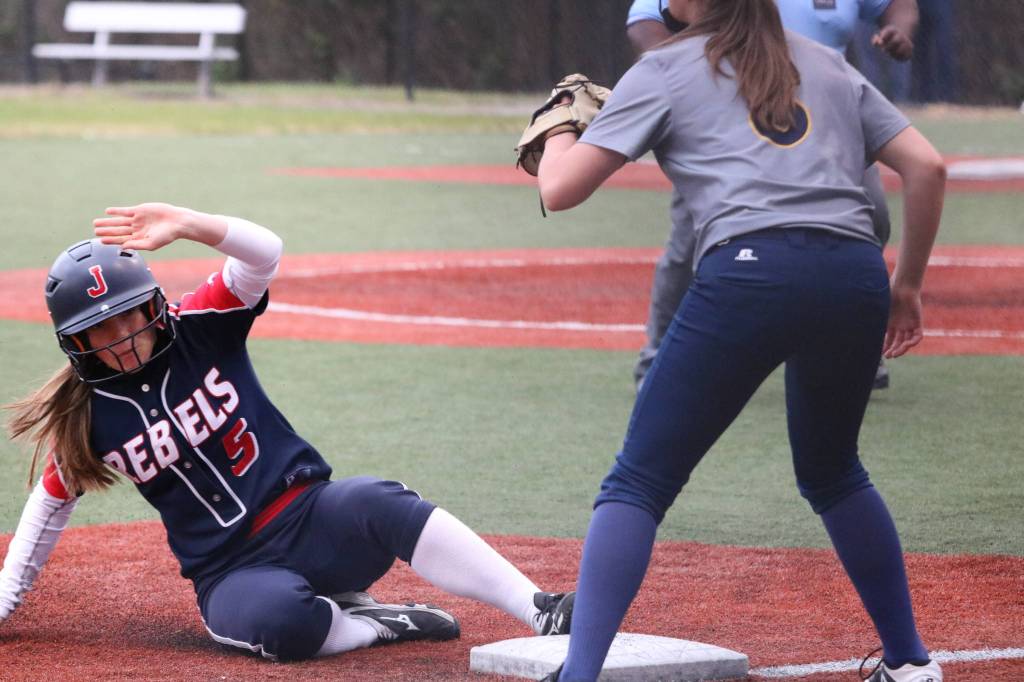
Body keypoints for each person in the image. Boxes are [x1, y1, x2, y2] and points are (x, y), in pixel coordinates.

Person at [532, 0, 945, 680]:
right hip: (854, 277)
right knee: (835, 472)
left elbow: (561, 188)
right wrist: (905, 288)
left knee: (637, 482)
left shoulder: (663, 67)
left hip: (749, 273)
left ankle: (579, 677)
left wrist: (557, 128)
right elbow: (927, 167)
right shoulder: (827, 63)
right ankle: (910, 666)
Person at [0, 203, 574, 662]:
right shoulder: (90, 412)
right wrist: (4, 602)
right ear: (75, 342)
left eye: (128, 314)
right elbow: (49, 506)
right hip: (231, 574)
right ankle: (372, 625)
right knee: (282, 623)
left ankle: (539, 607)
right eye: (99, 328)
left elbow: (264, 254)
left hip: (311, 517)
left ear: (152, 302)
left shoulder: (200, 326)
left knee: (381, 499)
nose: (121, 335)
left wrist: (190, 224)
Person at [626, 0, 918, 392]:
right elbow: (644, 18)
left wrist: (900, 29)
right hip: (729, 117)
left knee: (871, 218)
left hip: (827, 117)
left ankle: (850, 348)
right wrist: (682, 71)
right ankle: (658, 357)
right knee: (688, 241)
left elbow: (898, 5)